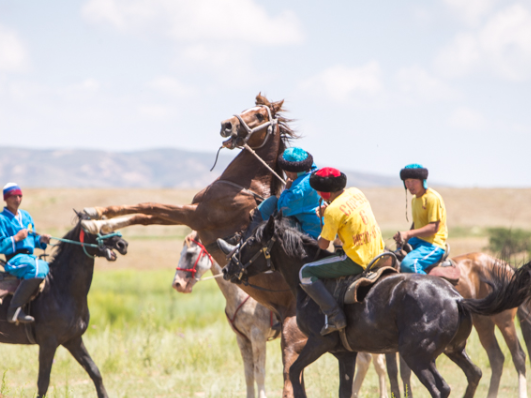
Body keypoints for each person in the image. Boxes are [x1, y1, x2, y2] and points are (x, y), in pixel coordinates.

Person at [299, 167, 384, 335]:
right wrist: (328, 212)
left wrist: (323, 218)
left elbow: (323, 245)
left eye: (318, 191)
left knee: (305, 272)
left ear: (324, 194)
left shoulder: (332, 211)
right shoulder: (356, 192)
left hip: (357, 260)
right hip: (378, 254)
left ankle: (334, 315)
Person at [0, 183, 51, 323]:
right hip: (15, 260)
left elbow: (33, 239)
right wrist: (16, 238)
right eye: (13, 196)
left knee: (47, 267)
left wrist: (42, 239)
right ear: (6, 199)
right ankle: (14, 309)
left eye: (19, 196)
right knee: (37, 269)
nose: (17, 199)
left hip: (29, 257)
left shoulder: (26, 216)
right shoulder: (1, 219)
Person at [255, 147, 322, 239]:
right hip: (321, 226)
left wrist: (286, 189)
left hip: (310, 235)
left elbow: (283, 209)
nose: (285, 172)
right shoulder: (315, 172)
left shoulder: (298, 190)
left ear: (292, 171)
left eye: (286, 170)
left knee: (270, 203)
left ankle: (249, 240)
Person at [393, 164, 447, 274]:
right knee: (392, 258)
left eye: (414, 181)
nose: (410, 185)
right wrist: (404, 238)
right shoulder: (415, 199)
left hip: (433, 244)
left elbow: (434, 227)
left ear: (422, 181)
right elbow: (417, 223)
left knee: (408, 264)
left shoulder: (432, 198)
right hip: (418, 240)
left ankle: (429, 289)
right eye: (407, 182)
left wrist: (408, 233)